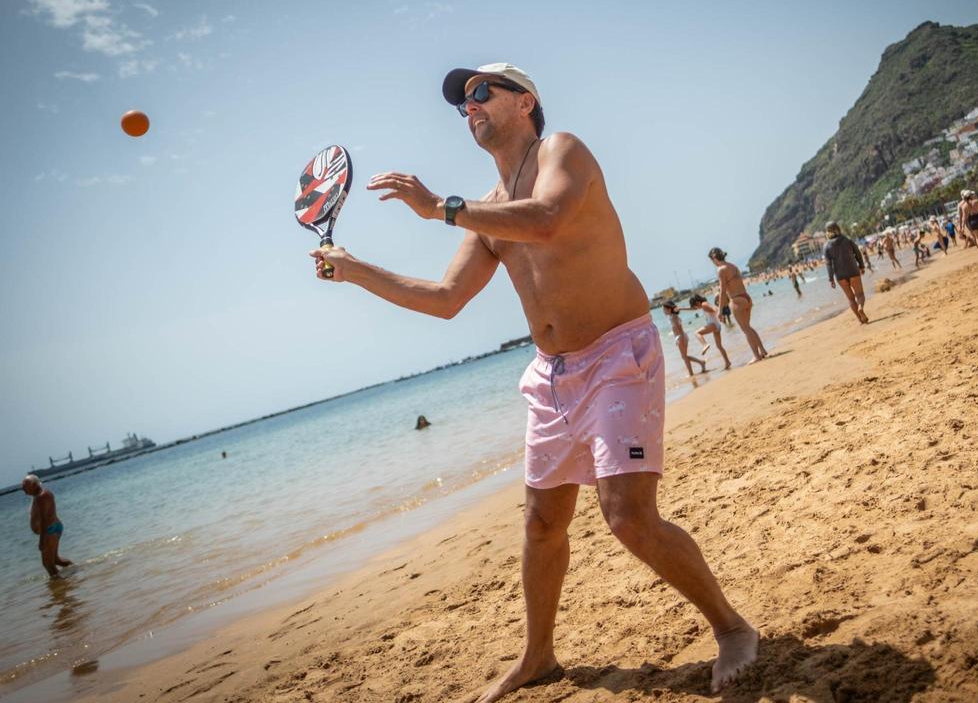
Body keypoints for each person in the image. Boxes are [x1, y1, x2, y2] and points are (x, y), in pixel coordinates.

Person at [312, 62, 757, 700]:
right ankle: (539, 655)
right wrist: (355, 270)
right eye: (463, 103)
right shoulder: (488, 210)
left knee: (628, 518)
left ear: (525, 102)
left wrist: (439, 208)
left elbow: (548, 218)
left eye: (480, 92)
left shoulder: (563, 152)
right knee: (542, 524)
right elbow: (444, 299)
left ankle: (732, 628)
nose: (470, 106)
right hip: (552, 376)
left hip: (617, 355)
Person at [707, 248, 768, 362]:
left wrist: (720, 310)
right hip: (746, 297)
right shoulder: (733, 266)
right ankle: (762, 350)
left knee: (745, 329)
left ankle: (756, 356)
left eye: (712, 260)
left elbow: (723, 291)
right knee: (748, 327)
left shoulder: (721, 270)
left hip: (736, 301)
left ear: (714, 258)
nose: (713, 263)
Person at [23, 475, 71, 578]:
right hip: (53, 527)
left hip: (49, 530)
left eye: (25, 487)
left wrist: (42, 540)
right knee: (55, 560)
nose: (24, 491)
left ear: (34, 485)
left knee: (48, 564)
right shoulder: (40, 495)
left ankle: (61, 586)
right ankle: (76, 570)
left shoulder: (41, 496)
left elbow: (44, 519)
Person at [822, 222, 868, 324]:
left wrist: (831, 279)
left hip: (840, 275)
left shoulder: (826, 246)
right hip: (853, 270)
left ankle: (859, 319)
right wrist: (861, 266)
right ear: (838, 229)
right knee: (860, 294)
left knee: (851, 299)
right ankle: (860, 308)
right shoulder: (847, 240)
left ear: (827, 232)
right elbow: (858, 253)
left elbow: (828, 264)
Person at [687, 294, 732, 370]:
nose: (696, 307)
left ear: (697, 302)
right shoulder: (704, 304)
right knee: (719, 346)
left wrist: (720, 315)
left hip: (713, 324)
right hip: (716, 325)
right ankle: (727, 362)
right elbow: (693, 309)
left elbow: (714, 309)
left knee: (697, 333)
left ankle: (705, 345)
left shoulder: (704, 305)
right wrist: (680, 309)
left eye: (695, 305)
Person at [663, 301, 706, 376]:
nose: (663, 311)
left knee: (684, 357)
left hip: (681, 337)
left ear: (669, 309)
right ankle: (697, 367)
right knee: (684, 357)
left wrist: (681, 339)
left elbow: (680, 329)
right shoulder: (672, 317)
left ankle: (697, 367)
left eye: (664, 309)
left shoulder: (673, 317)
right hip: (680, 337)